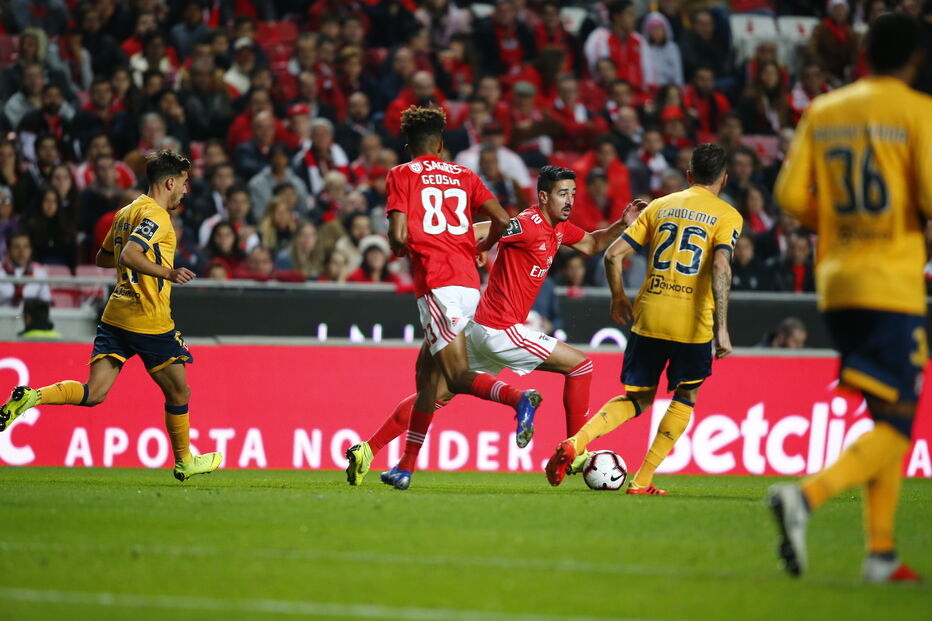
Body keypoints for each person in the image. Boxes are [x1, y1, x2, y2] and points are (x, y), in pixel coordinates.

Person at [346, 167, 646, 487]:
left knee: (432, 396)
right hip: (499, 330)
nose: (569, 200)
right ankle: (576, 451)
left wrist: (622, 225)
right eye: (562, 194)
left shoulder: (558, 229)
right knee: (581, 366)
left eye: (572, 193)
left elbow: (591, 243)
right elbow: (486, 228)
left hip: (481, 330)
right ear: (543, 197)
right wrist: (477, 247)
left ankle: (367, 449)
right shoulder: (530, 224)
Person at [767, 13, 929, 584]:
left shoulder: (825, 109)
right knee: (901, 420)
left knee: (885, 413)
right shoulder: (917, 112)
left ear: (864, 55)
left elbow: (787, 193)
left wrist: (836, 222)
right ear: (914, 59)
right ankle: (806, 499)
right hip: (891, 281)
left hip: (836, 282)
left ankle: (880, 554)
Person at [0, 150, 222, 483]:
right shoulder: (156, 216)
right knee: (180, 393)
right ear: (171, 182)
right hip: (148, 318)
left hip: (116, 314)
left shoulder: (125, 212)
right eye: (185, 183)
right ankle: (184, 461)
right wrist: (166, 271)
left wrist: (135, 259)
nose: (186, 191)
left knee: (95, 393)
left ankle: (32, 396)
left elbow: (105, 257)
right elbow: (130, 253)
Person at [545, 143, 742, 493]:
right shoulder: (728, 216)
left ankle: (576, 443)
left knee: (638, 398)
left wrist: (618, 296)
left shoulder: (660, 206)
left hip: (648, 313)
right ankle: (642, 480)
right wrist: (722, 328)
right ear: (724, 179)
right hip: (693, 322)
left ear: (688, 175)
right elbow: (722, 265)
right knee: (687, 394)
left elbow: (612, 255)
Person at [377, 105, 542, 491]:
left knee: (453, 375)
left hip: (437, 283)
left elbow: (399, 235)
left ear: (408, 145)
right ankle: (405, 466)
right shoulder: (464, 174)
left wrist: (401, 249)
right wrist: (480, 245)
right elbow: (504, 220)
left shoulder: (401, 174)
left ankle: (519, 399)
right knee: (426, 378)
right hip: (468, 283)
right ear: (440, 143)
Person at [0, 231, 52, 306]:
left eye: (26, 247)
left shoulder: (40, 272)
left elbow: (46, 302)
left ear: (31, 250)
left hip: (30, 317)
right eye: (16, 247)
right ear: (8, 250)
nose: (21, 252)